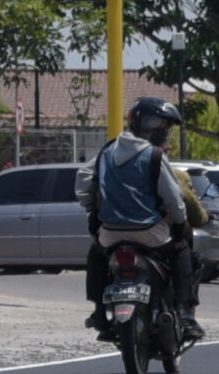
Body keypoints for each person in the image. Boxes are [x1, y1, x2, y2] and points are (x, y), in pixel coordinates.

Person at [76, 97, 205, 339]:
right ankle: (184, 313)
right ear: (140, 123)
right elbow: (174, 198)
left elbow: (83, 181)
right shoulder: (154, 156)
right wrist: (178, 225)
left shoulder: (107, 151)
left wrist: (90, 208)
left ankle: (98, 311)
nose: (161, 130)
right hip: (150, 233)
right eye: (157, 124)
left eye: (164, 125)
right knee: (182, 252)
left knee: (96, 255)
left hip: (111, 232)